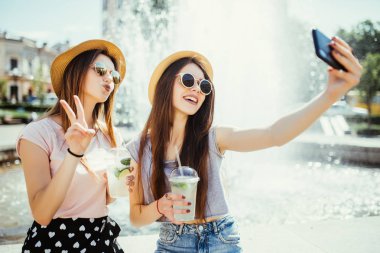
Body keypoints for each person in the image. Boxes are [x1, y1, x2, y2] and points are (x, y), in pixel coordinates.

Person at [126, 36, 362, 252]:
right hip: (172, 243)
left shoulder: (214, 137)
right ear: (166, 85)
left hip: (221, 239)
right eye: (188, 80)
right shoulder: (138, 148)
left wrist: (330, 95)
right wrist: (160, 207)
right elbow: (136, 217)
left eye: (204, 86)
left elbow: (274, 135)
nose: (197, 89)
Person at [17, 39, 127, 253]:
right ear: (77, 72)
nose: (109, 79)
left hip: (101, 239)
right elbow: (41, 213)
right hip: (55, 242)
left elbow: (105, 198)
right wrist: (74, 152)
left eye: (114, 76)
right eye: (101, 70)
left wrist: (125, 182)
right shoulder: (38, 133)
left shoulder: (112, 135)